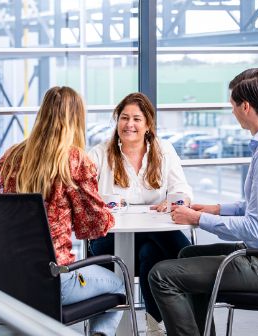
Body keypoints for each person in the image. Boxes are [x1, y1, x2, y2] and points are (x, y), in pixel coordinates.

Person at [148, 68, 258, 336]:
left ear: (245, 106)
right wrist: (215, 209)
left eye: (233, 105)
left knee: (162, 275)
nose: (232, 112)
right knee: (187, 255)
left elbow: (254, 227)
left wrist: (197, 219)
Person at [0, 86, 124, 336]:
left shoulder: (11, 156)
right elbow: (93, 227)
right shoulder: (74, 160)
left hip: (7, 281)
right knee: (118, 282)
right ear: (76, 119)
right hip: (55, 282)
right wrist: (108, 210)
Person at [88, 92, 193, 335]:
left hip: (150, 243)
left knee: (151, 252)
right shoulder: (100, 154)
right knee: (156, 242)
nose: (129, 124)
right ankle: (189, 260)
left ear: (148, 124)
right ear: (117, 121)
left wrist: (174, 199)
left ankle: (153, 327)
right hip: (109, 243)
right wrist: (109, 201)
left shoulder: (163, 150)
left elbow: (182, 190)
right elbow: (84, 196)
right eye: (124, 118)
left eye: (136, 119)